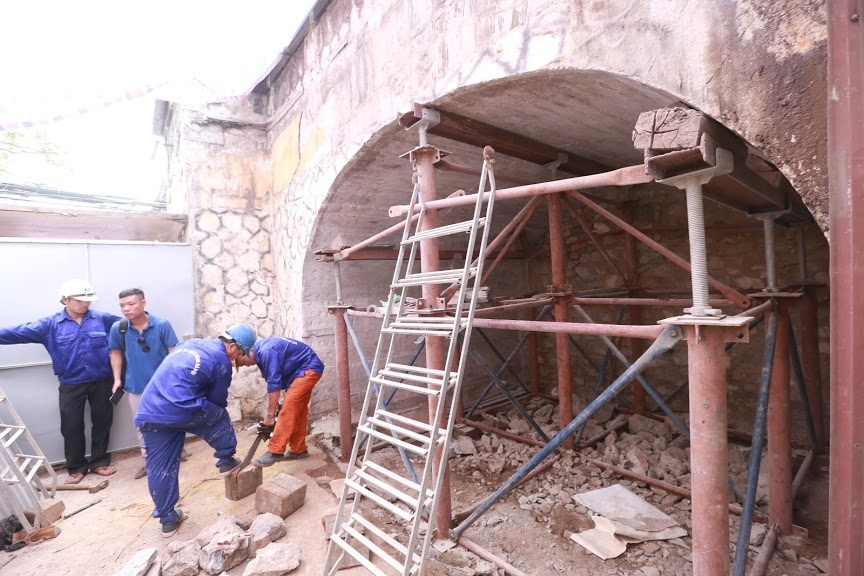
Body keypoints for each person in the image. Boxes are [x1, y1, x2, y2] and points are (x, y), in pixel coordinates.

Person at [134, 323, 256, 537]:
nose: (238, 358)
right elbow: (217, 401)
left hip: (150, 411)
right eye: (240, 353)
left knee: (159, 467)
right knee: (218, 414)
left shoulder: (189, 343)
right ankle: (226, 460)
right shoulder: (221, 362)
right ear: (232, 346)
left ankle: (168, 520)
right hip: (181, 408)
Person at [0, 279, 122, 484]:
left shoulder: (102, 319)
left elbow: (130, 325)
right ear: (65, 299)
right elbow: (15, 333)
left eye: (88, 300)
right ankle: (76, 467)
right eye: (80, 300)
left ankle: (100, 462)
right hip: (71, 383)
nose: (86, 304)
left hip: (102, 380)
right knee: (71, 425)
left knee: (102, 421)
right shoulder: (49, 325)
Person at [108, 288, 179, 479]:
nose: (126, 309)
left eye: (131, 304)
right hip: (136, 385)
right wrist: (117, 379)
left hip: (163, 385)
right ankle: (150, 461)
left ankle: (174, 452)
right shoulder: (119, 328)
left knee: (170, 420)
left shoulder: (162, 325)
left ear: (143, 303)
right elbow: (115, 353)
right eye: (122, 305)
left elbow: (174, 352)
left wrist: (175, 380)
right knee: (142, 425)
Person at [240, 337, 325, 467]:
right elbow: (277, 378)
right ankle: (298, 450)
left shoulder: (267, 351)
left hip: (308, 369)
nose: (243, 365)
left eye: (240, 361)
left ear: (245, 351)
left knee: (289, 409)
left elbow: (274, 384)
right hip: (299, 372)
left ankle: (275, 451)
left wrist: (270, 415)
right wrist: (277, 403)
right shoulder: (261, 352)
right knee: (298, 410)